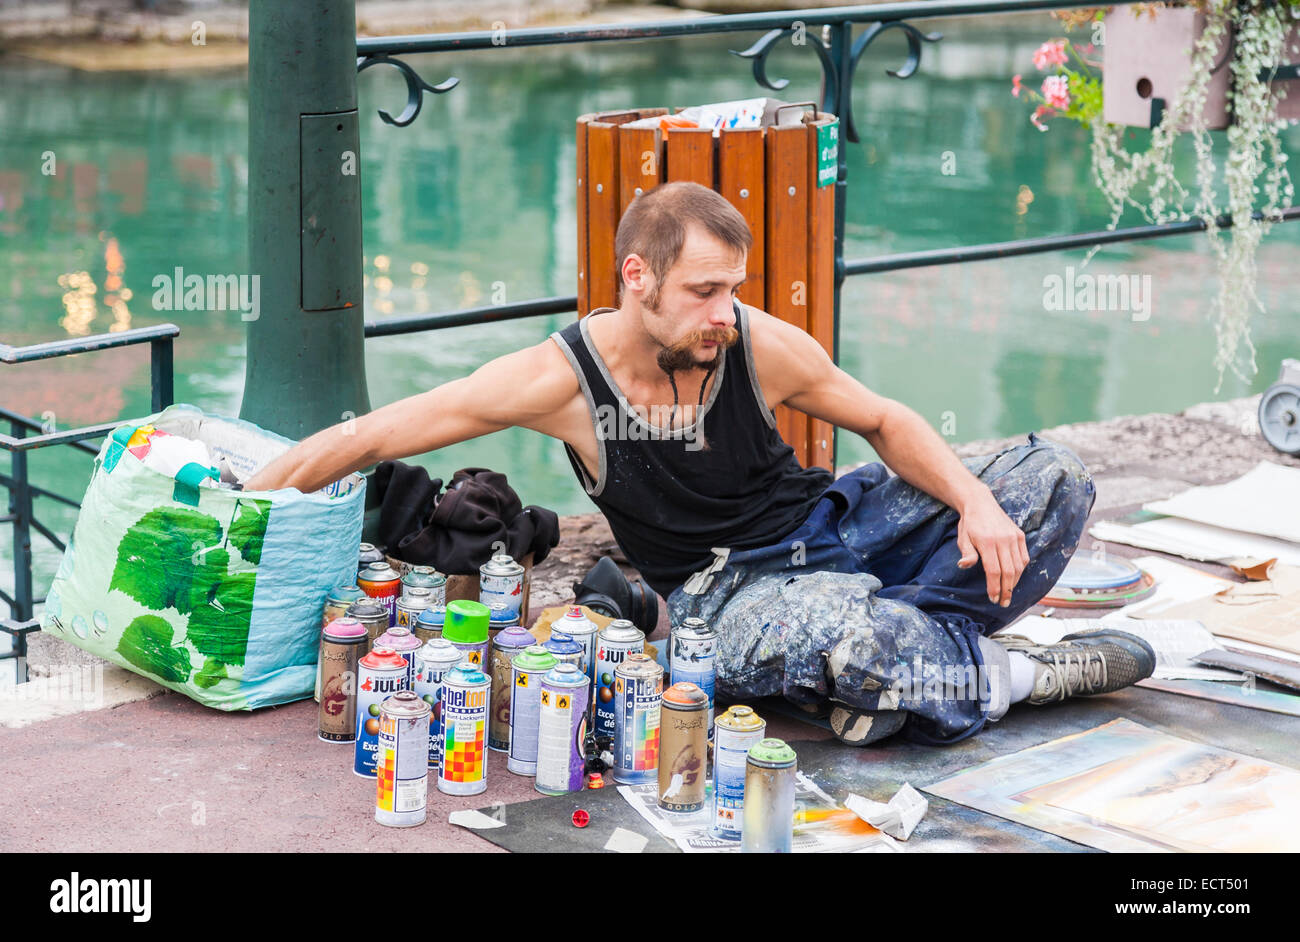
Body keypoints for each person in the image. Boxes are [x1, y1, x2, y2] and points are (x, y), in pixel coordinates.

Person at [247, 181, 1154, 746]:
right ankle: (1010, 675)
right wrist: (238, 501)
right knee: (854, 635)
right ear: (637, 277)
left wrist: (973, 504)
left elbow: (881, 418)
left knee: (1053, 476)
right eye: (704, 291)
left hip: (831, 528)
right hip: (725, 596)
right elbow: (374, 435)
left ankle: (909, 670)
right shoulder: (560, 381)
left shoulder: (758, 343)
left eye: (734, 289)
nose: (726, 312)